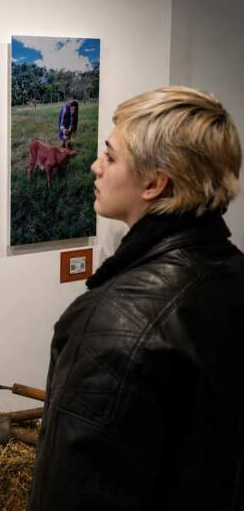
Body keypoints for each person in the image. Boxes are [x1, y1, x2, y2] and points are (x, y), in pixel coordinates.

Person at [28, 87, 244, 510]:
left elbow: (73, 493)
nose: (94, 165)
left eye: (109, 156)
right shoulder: (233, 275)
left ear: (154, 183)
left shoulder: (114, 326)